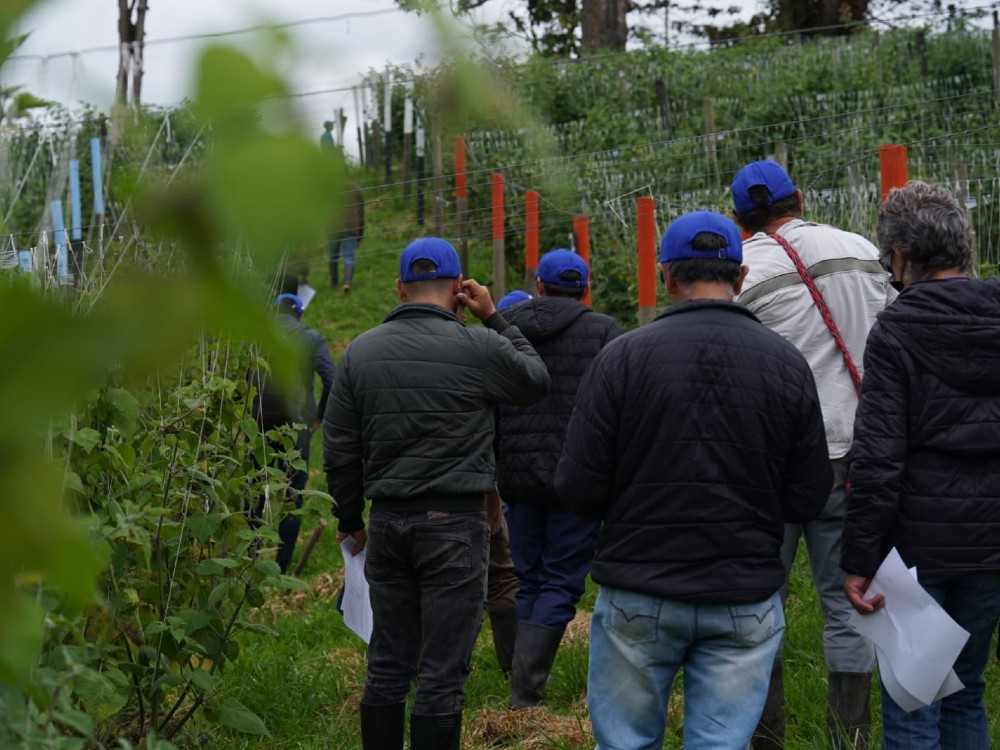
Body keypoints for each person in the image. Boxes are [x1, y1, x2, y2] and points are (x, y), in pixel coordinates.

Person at [554, 211, 832, 750]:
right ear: (742, 277)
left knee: (625, 743)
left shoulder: (622, 358)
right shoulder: (786, 364)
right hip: (743, 592)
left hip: (639, 587)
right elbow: (808, 494)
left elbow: (577, 486)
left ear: (666, 277)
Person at [323, 237, 549, 750]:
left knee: (387, 664)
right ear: (459, 288)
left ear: (400, 287)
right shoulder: (479, 346)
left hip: (389, 522)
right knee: (443, 674)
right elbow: (536, 380)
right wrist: (494, 317)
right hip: (457, 522)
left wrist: (351, 517)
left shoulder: (360, 351)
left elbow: (339, 449)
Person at [730, 159, 894, 748]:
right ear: (798, 197)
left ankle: (764, 736)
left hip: (774, 462)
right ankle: (848, 736)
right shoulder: (860, 248)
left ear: (737, 217)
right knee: (849, 595)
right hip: (858, 451)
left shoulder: (744, 273)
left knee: (758, 597)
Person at [842, 181, 1000, 750]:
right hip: (991, 542)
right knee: (967, 687)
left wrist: (859, 559)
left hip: (916, 552)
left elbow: (879, 459)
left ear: (902, 258)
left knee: (914, 697)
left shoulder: (897, 331)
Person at [495, 248, 623, 708]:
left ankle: (521, 684)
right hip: (578, 475)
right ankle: (527, 692)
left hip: (517, 472)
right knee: (562, 581)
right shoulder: (604, 330)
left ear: (540, 286)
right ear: (585, 289)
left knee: (527, 577)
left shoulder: (506, 324)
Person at [250, 277, 336, 573]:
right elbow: (332, 380)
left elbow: (239, 381)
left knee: (254, 490)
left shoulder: (256, 337)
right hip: (296, 429)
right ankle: (281, 569)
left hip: (258, 425)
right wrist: (319, 417)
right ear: (299, 314)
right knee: (292, 496)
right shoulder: (311, 338)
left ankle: (245, 563)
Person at [329, 182, 365, 293]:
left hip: (333, 226)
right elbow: (361, 212)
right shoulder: (356, 189)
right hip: (351, 226)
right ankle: (347, 283)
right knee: (348, 257)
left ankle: (334, 283)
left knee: (333, 257)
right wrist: (360, 234)